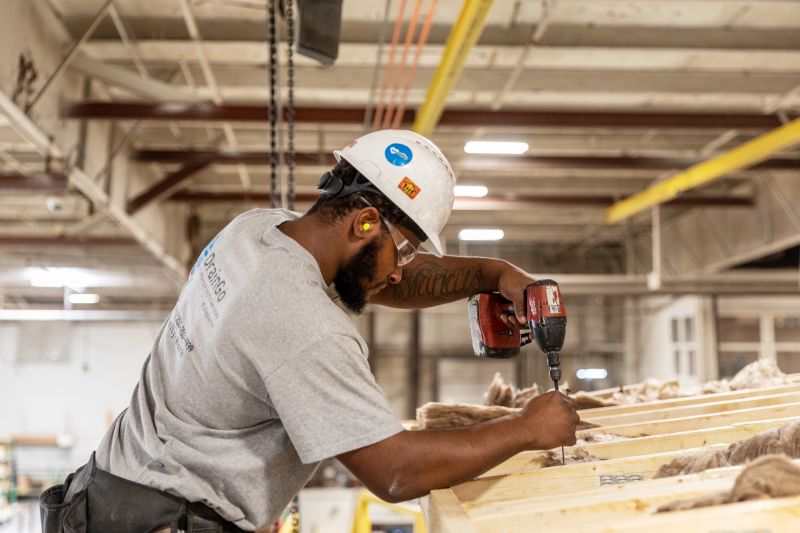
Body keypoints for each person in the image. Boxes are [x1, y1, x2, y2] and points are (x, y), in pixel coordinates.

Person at [39, 130, 579, 532]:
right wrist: (527, 428)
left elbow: (388, 282)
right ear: (364, 222)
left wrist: (493, 275)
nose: (399, 269)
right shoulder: (306, 326)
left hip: (104, 497)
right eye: (405, 248)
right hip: (162, 519)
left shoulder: (255, 230)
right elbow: (395, 473)